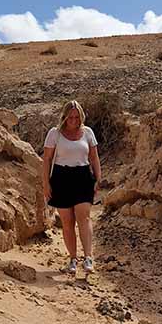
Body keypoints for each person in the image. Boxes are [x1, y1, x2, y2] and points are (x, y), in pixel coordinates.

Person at [42, 100, 101, 277]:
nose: (74, 120)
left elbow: (94, 157)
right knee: (68, 222)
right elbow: (46, 160)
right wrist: (46, 183)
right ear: (65, 116)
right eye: (71, 117)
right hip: (61, 178)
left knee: (84, 216)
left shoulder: (88, 132)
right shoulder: (55, 133)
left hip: (83, 177)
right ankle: (73, 259)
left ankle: (88, 258)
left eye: (77, 117)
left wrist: (98, 178)